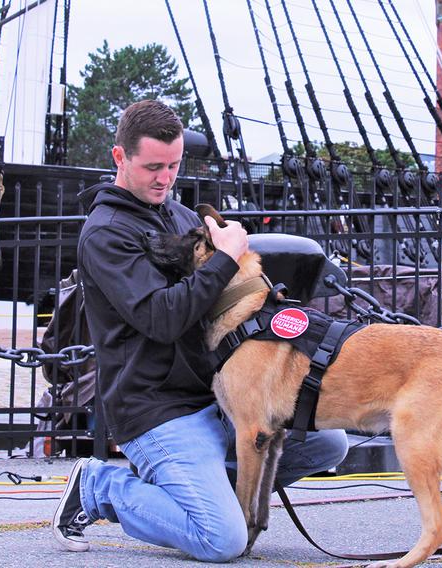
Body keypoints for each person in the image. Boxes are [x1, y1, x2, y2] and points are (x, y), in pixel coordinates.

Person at [52, 99, 348, 562]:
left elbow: (224, 294)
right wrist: (227, 257)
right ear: (119, 157)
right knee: (220, 540)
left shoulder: (181, 216)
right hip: (155, 409)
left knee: (328, 442)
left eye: (173, 166)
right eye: (152, 167)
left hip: (213, 398)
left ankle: (191, 489)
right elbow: (162, 318)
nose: (165, 179)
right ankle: (100, 487)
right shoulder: (105, 233)